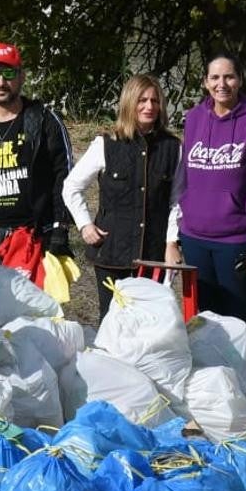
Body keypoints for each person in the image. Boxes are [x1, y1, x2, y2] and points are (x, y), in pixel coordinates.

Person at [170, 51, 246, 341]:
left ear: (240, 80)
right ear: (206, 82)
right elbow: (183, 178)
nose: (222, 84)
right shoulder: (193, 119)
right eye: (215, 77)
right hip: (194, 238)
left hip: (236, 241)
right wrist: (175, 234)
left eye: (229, 76)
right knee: (200, 319)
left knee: (239, 321)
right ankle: (209, 382)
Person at [63, 74, 180, 317]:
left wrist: (172, 243)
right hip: (112, 254)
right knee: (113, 323)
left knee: (149, 325)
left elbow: (177, 201)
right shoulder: (106, 144)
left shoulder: (172, 148)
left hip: (153, 255)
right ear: (129, 102)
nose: (149, 107)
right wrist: (85, 225)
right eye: (142, 100)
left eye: (155, 101)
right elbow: (71, 186)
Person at [0, 42, 74, 265]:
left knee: (33, 301)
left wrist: (60, 227)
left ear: (21, 76)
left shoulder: (45, 122)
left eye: (8, 73)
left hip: (32, 240)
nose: (1, 82)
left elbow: (64, 177)